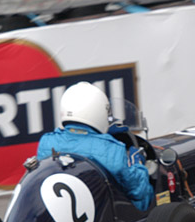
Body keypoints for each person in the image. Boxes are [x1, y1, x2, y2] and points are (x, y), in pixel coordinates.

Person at [36, 82, 153, 211]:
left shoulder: (47, 142)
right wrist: (138, 163)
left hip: (56, 214)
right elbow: (140, 194)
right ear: (97, 111)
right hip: (103, 216)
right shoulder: (111, 149)